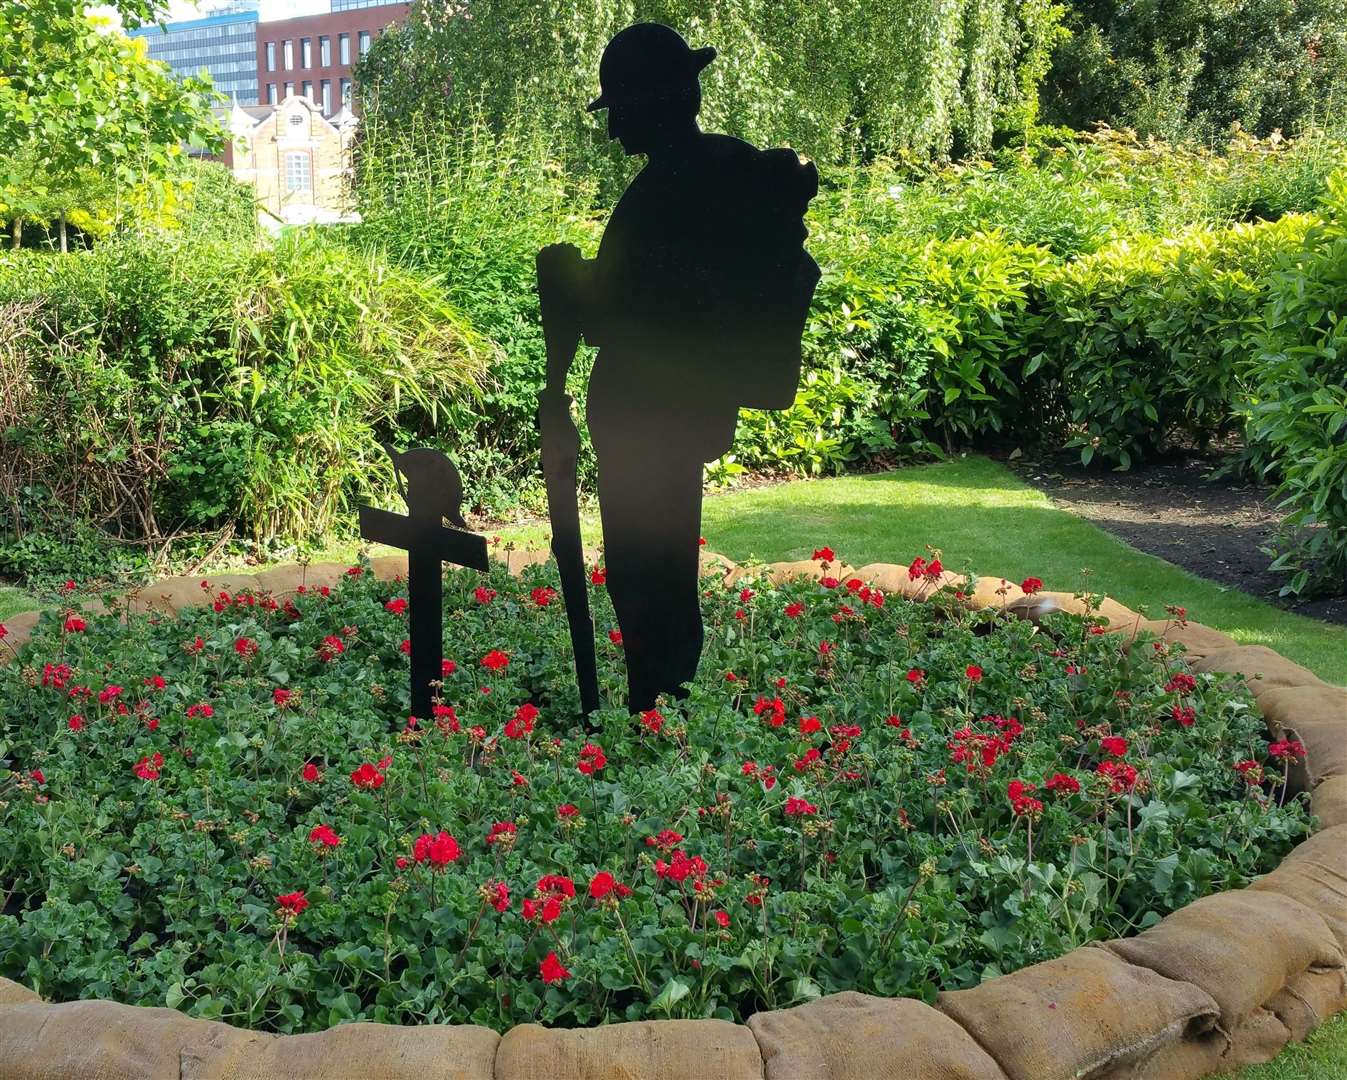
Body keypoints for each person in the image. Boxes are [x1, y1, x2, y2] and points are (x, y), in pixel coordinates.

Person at [538, 22, 819, 712]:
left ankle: (657, 701)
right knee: (658, 568)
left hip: (645, 410)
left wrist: (566, 277)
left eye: (621, 110)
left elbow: (618, 310)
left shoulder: (668, 190)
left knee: (645, 571)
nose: (613, 131)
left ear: (654, 101)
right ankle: (660, 697)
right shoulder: (724, 170)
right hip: (678, 407)